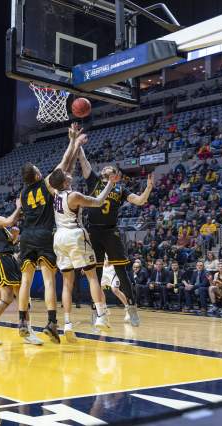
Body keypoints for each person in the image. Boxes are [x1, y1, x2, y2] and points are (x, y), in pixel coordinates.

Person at [16, 123, 84, 344]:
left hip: (26, 237)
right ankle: (51, 322)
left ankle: (23, 322)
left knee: (25, 281)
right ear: (36, 174)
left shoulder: (23, 194)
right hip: (44, 235)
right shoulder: (45, 184)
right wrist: (72, 141)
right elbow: (63, 165)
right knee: (48, 281)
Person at [77, 144, 152, 326]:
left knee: (122, 271)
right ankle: (98, 312)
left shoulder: (120, 189)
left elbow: (140, 201)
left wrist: (148, 188)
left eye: (111, 168)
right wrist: (77, 143)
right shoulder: (93, 181)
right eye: (105, 168)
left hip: (111, 232)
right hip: (94, 231)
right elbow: (84, 161)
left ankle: (132, 308)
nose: (107, 168)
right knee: (96, 273)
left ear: (115, 174)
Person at [48, 154, 119, 341]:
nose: (68, 173)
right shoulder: (74, 195)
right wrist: (110, 184)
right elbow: (98, 202)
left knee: (66, 283)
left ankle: (67, 322)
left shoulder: (54, 192)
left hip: (59, 238)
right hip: (74, 235)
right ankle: (101, 316)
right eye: (66, 174)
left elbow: (66, 170)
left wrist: (76, 146)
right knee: (92, 276)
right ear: (64, 181)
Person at [0, 192, 43, 345]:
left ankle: (26, 330)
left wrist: (14, 235)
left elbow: (10, 241)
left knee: (22, 297)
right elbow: (9, 220)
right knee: (7, 298)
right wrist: (19, 206)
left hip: (9, 257)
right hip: (2, 259)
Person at [99, 256, 131, 323]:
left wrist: (111, 260)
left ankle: (128, 309)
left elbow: (123, 257)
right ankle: (105, 309)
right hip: (104, 269)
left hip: (113, 269)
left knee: (115, 290)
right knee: (99, 288)